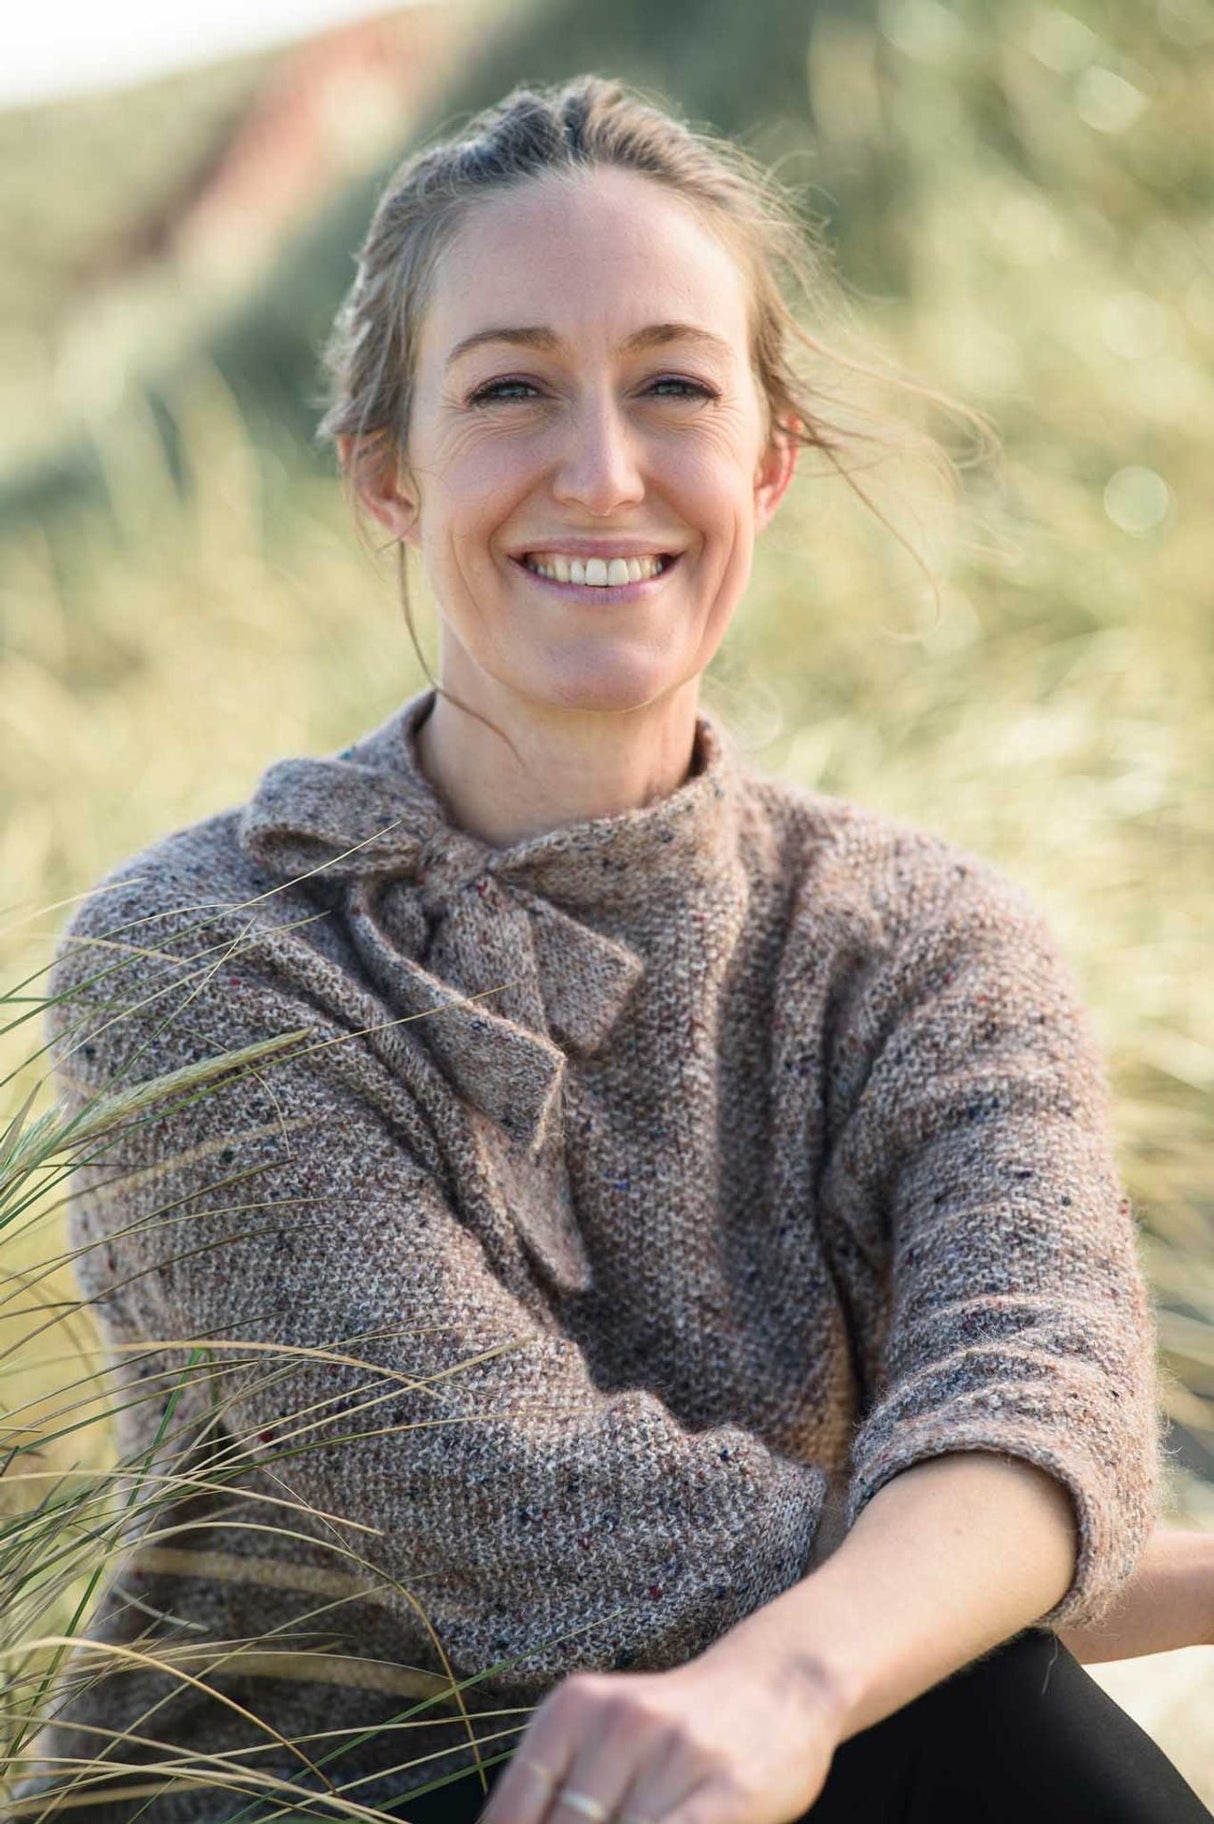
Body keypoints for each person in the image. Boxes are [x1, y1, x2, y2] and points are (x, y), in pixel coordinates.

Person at [12, 74, 1212, 1824]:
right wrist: (969, 1577)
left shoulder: (927, 947)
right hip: (314, 1794)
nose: (599, 472)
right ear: (387, 474)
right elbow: (518, 1504)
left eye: (673, 387)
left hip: (803, 1765)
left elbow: (1038, 1392)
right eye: (509, 390)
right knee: (958, 1696)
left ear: (767, 464)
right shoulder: (202, 963)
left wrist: (826, 1662)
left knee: (969, 1716)